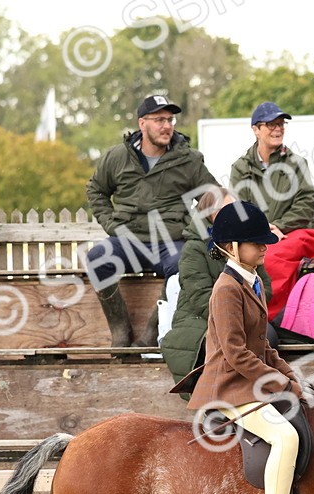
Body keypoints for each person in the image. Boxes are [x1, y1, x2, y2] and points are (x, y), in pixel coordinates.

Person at [186, 201, 314, 494]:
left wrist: (291, 376)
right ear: (232, 247)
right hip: (228, 387)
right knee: (285, 437)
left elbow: (262, 346)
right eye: (256, 243)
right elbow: (235, 353)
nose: (263, 248)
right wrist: (280, 384)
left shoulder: (252, 281)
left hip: (247, 380)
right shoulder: (226, 288)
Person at [85, 94, 220, 346]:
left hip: (171, 242)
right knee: (97, 258)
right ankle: (120, 331)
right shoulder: (117, 157)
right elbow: (96, 190)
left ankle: (150, 334)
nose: (167, 126)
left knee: (184, 264)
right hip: (128, 241)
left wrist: (241, 221)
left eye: (170, 120)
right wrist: (112, 225)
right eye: (159, 120)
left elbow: (213, 197)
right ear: (142, 123)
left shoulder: (188, 160)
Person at [229, 102, 314, 319]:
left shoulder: (297, 163)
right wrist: (263, 229)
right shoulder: (240, 167)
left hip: (287, 233)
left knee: (273, 258)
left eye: (281, 124)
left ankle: (270, 318)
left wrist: (279, 226)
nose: (278, 129)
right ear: (256, 129)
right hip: (254, 235)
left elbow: (305, 203)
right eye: (271, 124)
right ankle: (251, 316)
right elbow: (240, 208)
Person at [161, 191, 275, 383]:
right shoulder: (194, 248)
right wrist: (234, 316)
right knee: (231, 341)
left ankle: (258, 389)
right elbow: (200, 297)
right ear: (211, 213)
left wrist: (245, 314)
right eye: (227, 209)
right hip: (199, 319)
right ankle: (226, 391)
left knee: (268, 335)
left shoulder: (246, 246)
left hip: (242, 315)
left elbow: (266, 288)